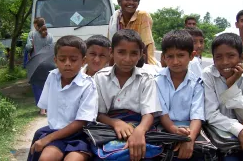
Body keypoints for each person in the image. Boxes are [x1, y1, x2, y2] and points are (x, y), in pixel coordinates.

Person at [95, 29, 162, 161]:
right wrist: (115, 123)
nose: (127, 59)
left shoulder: (146, 79)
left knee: (143, 152)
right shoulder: (100, 78)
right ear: (111, 52)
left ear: (141, 55)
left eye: (133, 53)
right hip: (109, 126)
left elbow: (149, 113)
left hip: (140, 124)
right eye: (121, 52)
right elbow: (97, 113)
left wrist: (140, 131)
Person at [27, 35, 98, 161]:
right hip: (56, 133)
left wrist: (47, 139)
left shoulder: (88, 84)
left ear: (83, 61)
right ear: (55, 60)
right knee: (46, 158)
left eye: (73, 59)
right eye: (62, 59)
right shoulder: (52, 77)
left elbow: (81, 122)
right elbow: (47, 107)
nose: (67, 64)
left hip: (80, 135)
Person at [203, 33, 243, 160]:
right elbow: (211, 114)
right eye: (219, 57)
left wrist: (231, 86)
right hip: (219, 137)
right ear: (213, 59)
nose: (225, 62)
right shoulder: (208, 74)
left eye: (231, 56)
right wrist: (239, 130)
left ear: (241, 57)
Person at [156, 29, 205, 160]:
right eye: (170, 56)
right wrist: (174, 131)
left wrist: (190, 139)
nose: (175, 61)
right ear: (164, 57)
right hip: (165, 128)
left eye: (180, 55)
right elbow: (162, 113)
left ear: (191, 56)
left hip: (190, 129)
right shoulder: (156, 81)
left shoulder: (197, 83)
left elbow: (197, 115)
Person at [108, 0, 157, 65]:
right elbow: (111, 44)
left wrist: (145, 70)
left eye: (135, 0)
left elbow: (145, 45)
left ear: (138, 3)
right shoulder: (115, 19)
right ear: (119, 1)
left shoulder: (142, 16)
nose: (131, 2)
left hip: (142, 63)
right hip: (122, 64)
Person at [26, 23, 53, 115]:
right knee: (49, 85)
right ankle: (49, 108)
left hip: (36, 63)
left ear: (36, 26)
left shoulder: (32, 34)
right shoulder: (50, 36)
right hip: (49, 62)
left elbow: (28, 47)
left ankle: (42, 109)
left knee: (37, 85)